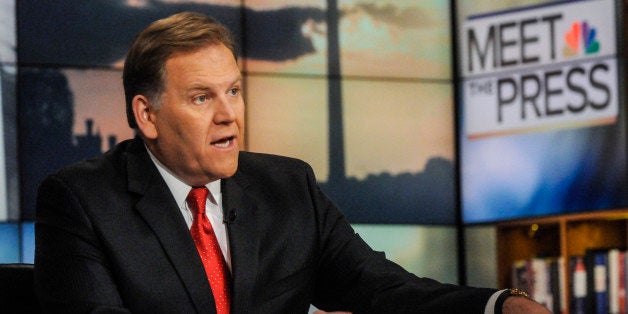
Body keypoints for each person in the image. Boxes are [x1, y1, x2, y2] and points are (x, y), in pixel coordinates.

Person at [34, 11, 549, 313]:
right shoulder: (82, 200)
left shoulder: (287, 185)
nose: (228, 115)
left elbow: (384, 287)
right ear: (146, 115)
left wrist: (497, 306)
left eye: (233, 91)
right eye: (200, 98)